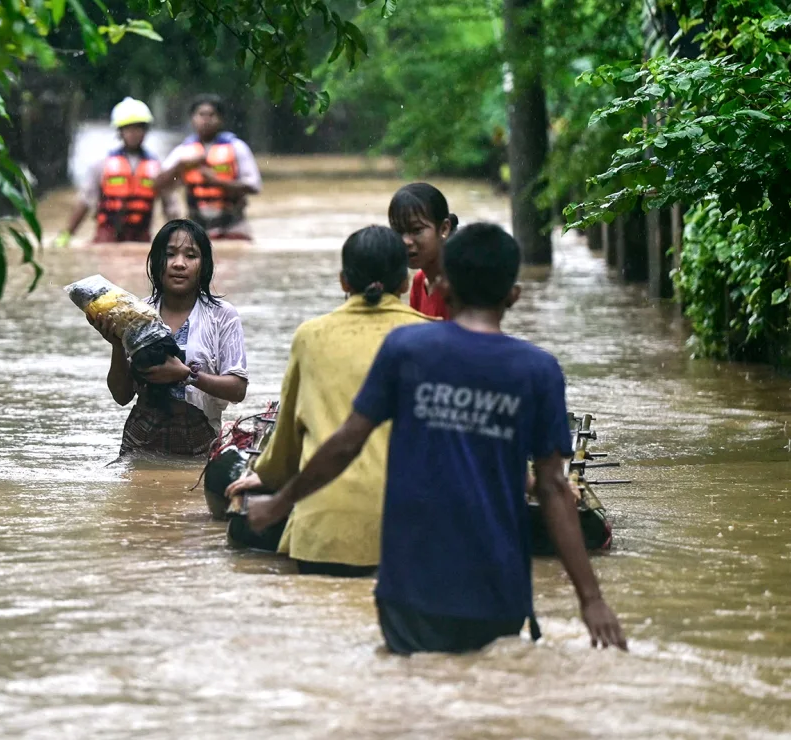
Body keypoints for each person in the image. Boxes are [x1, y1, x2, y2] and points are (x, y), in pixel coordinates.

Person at [245, 223, 627, 654]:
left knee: (415, 697)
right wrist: (591, 600)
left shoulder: (407, 349)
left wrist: (279, 502)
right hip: (497, 587)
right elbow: (555, 488)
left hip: (410, 587)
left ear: (441, 286)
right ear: (514, 295)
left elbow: (346, 443)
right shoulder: (537, 370)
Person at [224, 226, 428, 577]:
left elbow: (287, 434)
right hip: (414, 535)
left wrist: (266, 476)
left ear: (343, 281)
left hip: (325, 533)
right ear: (406, 283)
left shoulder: (311, 336)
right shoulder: (433, 336)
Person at [90, 219, 249, 456]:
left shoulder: (222, 315)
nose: (179, 264)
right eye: (170, 254)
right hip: (141, 440)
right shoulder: (137, 313)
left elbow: (238, 389)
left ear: (204, 265)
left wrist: (187, 375)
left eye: (191, 256)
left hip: (202, 442)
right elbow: (122, 396)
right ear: (156, 262)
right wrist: (116, 343)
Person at [56, 98, 176, 246]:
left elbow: (170, 207)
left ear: (146, 130)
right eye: (128, 128)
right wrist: (67, 235)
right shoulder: (101, 165)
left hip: (141, 239)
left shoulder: (158, 168)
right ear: (120, 131)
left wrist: (176, 238)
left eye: (138, 128)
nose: (134, 133)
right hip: (106, 238)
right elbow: (85, 202)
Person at [154, 95, 261, 241]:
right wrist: (181, 165)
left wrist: (218, 182)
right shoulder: (183, 151)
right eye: (201, 115)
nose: (206, 120)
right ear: (192, 119)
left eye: (211, 115)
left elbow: (254, 186)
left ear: (221, 120)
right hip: (197, 226)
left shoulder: (237, 147)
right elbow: (158, 184)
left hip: (233, 225)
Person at [387, 182, 458, 320]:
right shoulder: (419, 282)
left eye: (416, 230)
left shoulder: (458, 286)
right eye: (398, 231)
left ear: (444, 229)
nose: (406, 241)